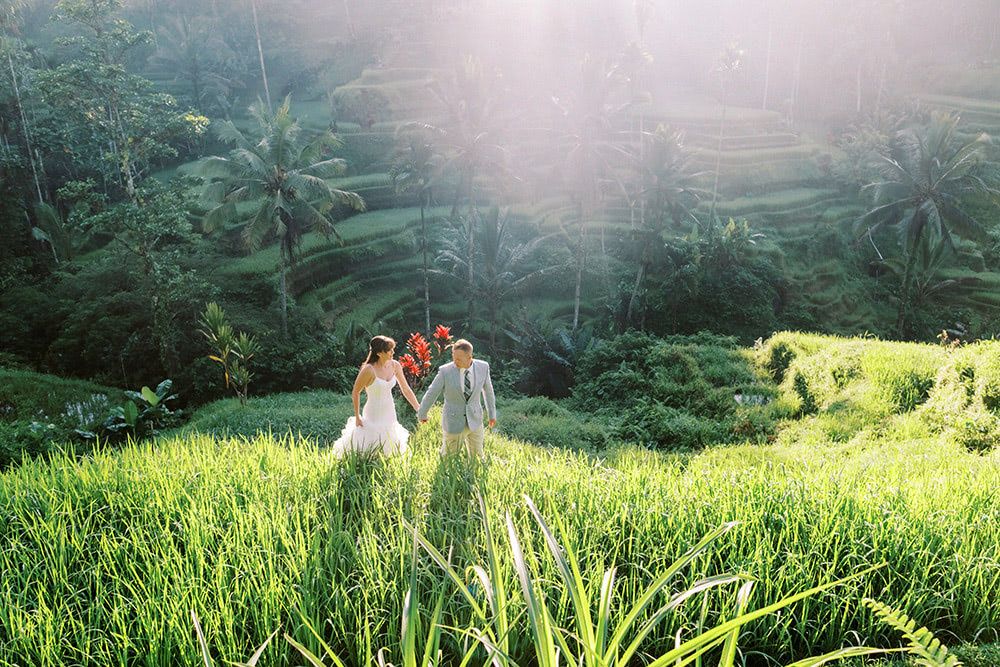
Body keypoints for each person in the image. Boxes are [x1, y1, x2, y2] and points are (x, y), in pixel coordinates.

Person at [333, 335, 420, 457]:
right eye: (389, 350)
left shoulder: (395, 366)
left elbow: (406, 389)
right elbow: (356, 391)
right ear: (379, 353)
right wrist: (357, 416)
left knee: (389, 444)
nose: (393, 352)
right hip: (373, 413)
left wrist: (419, 409)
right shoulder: (369, 370)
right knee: (369, 446)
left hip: (389, 412)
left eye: (392, 349)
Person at [417, 338, 497, 458]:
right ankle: (444, 477)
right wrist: (422, 413)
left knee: (477, 457)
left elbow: (489, 392)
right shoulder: (445, 371)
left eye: (458, 359)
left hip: (475, 421)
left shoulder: (483, 367)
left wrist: (492, 415)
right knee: (448, 457)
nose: (455, 362)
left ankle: (474, 476)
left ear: (469, 358)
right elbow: (432, 393)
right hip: (453, 422)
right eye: (453, 357)